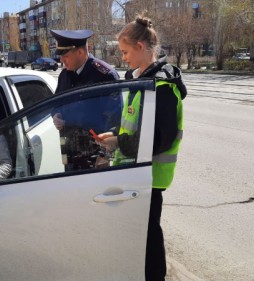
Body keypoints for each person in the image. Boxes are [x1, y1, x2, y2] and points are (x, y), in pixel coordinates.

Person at [97, 15, 187, 280]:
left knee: (148, 234)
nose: (123, 57)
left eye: (125, 51)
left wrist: (118, 142)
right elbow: (136, 127)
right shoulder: (142, 81)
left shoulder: (162, 86)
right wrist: (115, 135)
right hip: (136, 170)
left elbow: (161, 139)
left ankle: (154, 276)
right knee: (139, 232)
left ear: (139, 46)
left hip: (150, 175)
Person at [49, 29, 121, 171]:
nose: (61, 60)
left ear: (80, 53)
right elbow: (56, 104)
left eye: (65, 56)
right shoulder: (65, 75)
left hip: (95, 157)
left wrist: (105, 156)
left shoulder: (104, 76)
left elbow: (116, 121)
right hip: (69, 152)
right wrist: (56, 115)